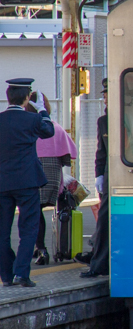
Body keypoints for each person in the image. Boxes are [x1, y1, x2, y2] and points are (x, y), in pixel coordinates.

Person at [0, 78, 56, 287]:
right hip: (27, 181)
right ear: (26, 99)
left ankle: (6, 275)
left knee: (2, 232)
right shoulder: (32, 120)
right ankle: (21, 273)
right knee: (29, 229)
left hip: (2, 182)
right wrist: (42, 110)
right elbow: (49, 132)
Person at [32, 93, 77, 265]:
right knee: (44, 208)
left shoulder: (29, 129)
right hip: (53, 181)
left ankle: (41, 249)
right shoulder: (55, 127)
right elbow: (68, 158)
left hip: (34, 176)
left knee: (34, 211)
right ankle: (50, 248)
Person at [82, 78, 108, 278]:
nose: (105, 97)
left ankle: (98, 262)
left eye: (107, 93)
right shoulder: (103, 121)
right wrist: (99, 173)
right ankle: (97, 263)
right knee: (104, 220)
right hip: (110, 177)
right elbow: (101, 151)